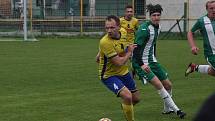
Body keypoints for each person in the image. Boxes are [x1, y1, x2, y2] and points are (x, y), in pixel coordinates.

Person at [132, 4, 186, 118]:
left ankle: (167, 109)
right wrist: (141, 65)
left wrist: (154, 59)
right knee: (159, 85)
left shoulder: (158, 27)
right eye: (153, 15)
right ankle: (177, 110)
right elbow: (135, 51)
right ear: (149, 16)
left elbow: (153, 44)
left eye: (158, 15)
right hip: (141, 63)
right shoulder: (144, 29)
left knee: (168, 85)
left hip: (152, 61)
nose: (156, 17)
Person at [98, 15, 140, 121]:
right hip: (109, 75)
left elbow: (122, 45)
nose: (109, 30)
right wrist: (130, 52)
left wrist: (100, 53)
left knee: (136, 99)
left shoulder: (124, 32)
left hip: (124, 72)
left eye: (112, 27)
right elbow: (119, 62)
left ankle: (125, 107)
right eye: (107, 28)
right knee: (127, 96)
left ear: (119, 27)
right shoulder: (105, 42)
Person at [185, 0, 215, 77]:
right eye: (211, 8)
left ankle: (194, 67)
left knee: (213, 71)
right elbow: (190, 32)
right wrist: (193, 46)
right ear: (207, 9)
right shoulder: (202, 21)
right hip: (211, 54)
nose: (214, 10)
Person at [120, 5, 139, 78]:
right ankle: (122, 74)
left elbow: (138, 31)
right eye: (128, 12)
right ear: (125, 13)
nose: (129, 13)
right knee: (122, 61)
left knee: (133, 61)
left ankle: (133, 74)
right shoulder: (120, 21)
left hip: (132, 44)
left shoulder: (135, 21)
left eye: (131, 11)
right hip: (122, 44)